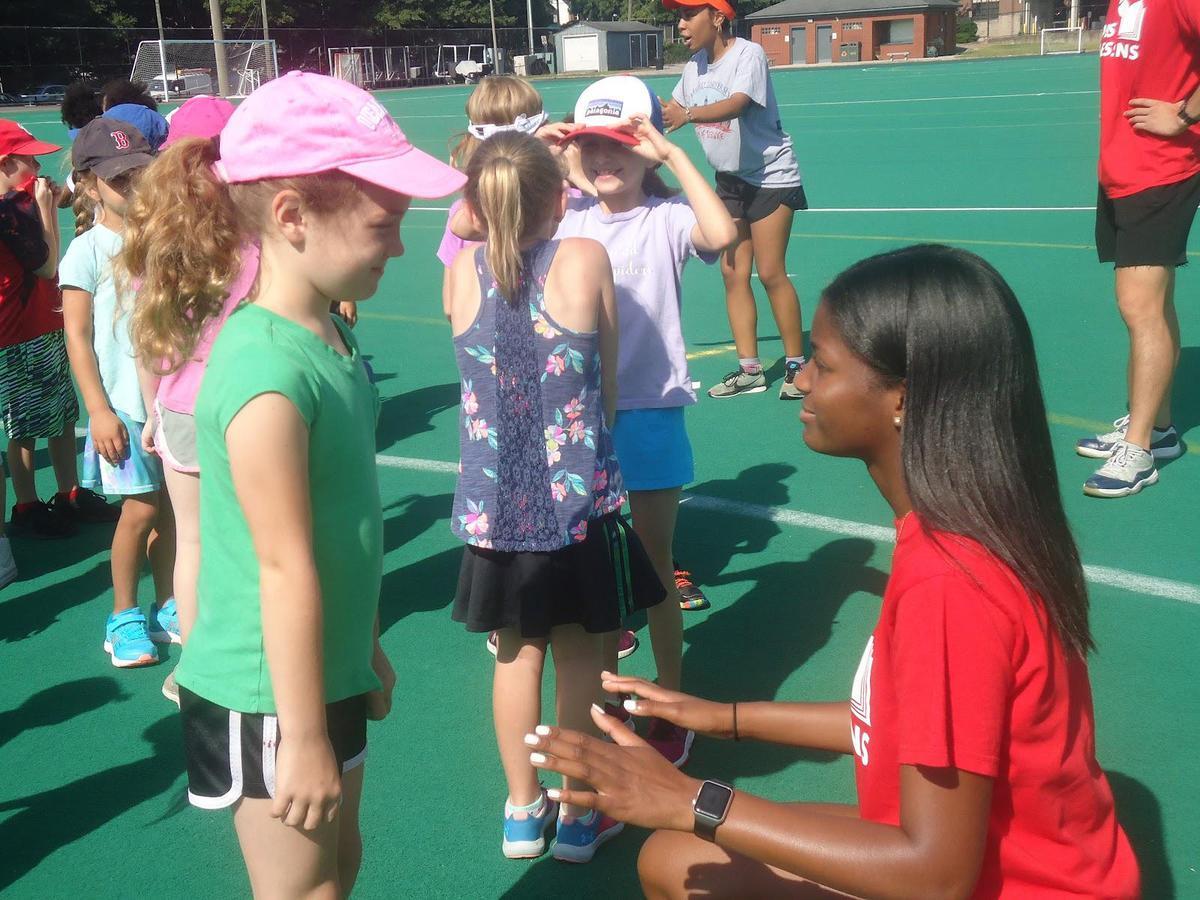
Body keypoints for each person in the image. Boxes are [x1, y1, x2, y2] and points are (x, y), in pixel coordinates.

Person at [526, 245, 1141, 899]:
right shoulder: (961, 529)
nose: (804, 381)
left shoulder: (951, 584)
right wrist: (724, 717)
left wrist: (691, 801)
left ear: (904, 397)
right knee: (673, 858)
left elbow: (936, 878)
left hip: (999, 880)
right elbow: (901, 719)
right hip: (1013, 862)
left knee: (680, 861)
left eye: (822, 363)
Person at [148, 71, 458, 895]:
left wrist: (362, 647)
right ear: (290, 217)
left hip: (321, 670)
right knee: (301, 889)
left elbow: (336, 527)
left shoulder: (323, 335)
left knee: (340, 864)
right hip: (268, 695)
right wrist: (303, 737)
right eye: (383, 225)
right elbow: (281, 565)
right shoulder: (264, 374)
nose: (398, 247)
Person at [445, 130, 665, 863]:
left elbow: (470, 231)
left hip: (496, 504)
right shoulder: (584, 257)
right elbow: (603, 377)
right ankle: (576, 813)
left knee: (515, 656)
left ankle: (520, 808)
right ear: (557, 194)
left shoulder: (460, 275)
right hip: (576, 501)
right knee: (579, 658)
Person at [555, 76, 736, 766]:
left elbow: (719, 231)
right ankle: (604, 699)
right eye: (594, 146)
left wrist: (672, 154)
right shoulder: (568, 221)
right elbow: (480, 225)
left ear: (647, 151)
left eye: (623, 145)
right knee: (598, 569)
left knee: (655, 566)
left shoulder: (663, 220)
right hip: (581, 418)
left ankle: (671, 699)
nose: (607, 159)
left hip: (651, 411)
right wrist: (554, 154)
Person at [121, 95, 242, 704]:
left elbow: (149, 342)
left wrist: (150, 414)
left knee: (190, 540)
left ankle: (196, 667)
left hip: (181, 405)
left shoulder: (157, 237)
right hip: (249, 406)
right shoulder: (252, 230)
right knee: (254, 539)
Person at [60, 117, 178, 668]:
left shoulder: (162, 239)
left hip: (169, 399)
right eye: (118, 179)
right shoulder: (85, 251)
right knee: (139, 510)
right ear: (88, 183)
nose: (133, 188)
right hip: (124, 409)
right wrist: (99, 410)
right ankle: (123, 616)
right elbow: (78, 340)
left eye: (139, 176)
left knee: (174, 510)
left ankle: (169, 602)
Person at [1076, 0, 1199, 497]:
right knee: (1154, 302)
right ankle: (1162, 429)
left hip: (1162, 168)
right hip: (1122, 167)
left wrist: (1185, 114)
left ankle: (1140, 447)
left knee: (1138, 305)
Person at [661, 0, 808, 401]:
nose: (682, 24)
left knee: (772, 271)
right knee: (732, 274)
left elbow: (739, 102)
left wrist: (688, 115)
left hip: (770, 177)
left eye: (689, 15)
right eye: (679, 16)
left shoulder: (749, 54)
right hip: (730, 182)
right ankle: (750, 370)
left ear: (718, 17)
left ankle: (797, 366)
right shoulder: (693, 69)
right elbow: (671, 111)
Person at [0, 120, 118, 542]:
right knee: (26, 426)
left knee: (64, 414)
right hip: (18, 334)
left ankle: (70, 492)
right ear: (5, 162)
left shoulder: (16, 204)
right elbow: (47, 265)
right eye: (27, 159)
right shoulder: (7, 211)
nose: (35, 165)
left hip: (40, 326)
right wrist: (46, 209)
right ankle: (27, 503)